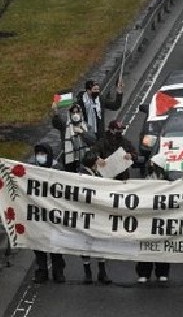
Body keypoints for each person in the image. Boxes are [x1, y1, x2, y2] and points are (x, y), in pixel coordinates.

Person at [136, 153, 172, 285]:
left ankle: (162, 272)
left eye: (153, 163)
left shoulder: (168, 183)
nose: (150, 165)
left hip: (162, 218)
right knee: (145, 245)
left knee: (162, 245)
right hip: (146, 217)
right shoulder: (144, 180)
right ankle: (143, 273)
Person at [32, 143, 66, 284]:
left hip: (53, 212)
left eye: (43, 153)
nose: (40, 156)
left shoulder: (57, 168)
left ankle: (58, 271)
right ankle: (42, 270)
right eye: (38, 153)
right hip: (38, 212)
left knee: (55, 242)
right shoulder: (32, 169)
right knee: (38, 242)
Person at [77, 151, 112, 285]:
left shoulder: (97, 174)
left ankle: (102, 272)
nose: (100, 161)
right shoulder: (83, 176)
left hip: (98, 213)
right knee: (86, 242)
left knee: (100, 241)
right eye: (97, 159)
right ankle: (88, 272)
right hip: (86, 214)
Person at [51, 103, 96, 173]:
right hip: (69, 160)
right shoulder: (65, 126)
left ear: (80, 113)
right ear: (70, 114)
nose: (75, 114)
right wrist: (55, 112)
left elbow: (92, 140)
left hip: (83, 158)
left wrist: (82, 133)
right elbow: (56, 123)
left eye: (77, 112)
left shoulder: (86, 126)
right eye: (73, 112)